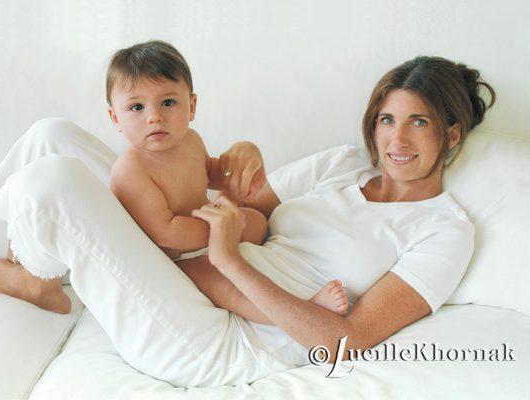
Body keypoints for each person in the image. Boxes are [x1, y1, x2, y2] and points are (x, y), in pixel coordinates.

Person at [0, 55, 495, 386]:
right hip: (194, 266)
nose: (396, 141)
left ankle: (42, 270)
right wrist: (240, 156)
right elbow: (243, 196)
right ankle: (41, 262)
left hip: (220, 338)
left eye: (418, 123)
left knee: (56, 181)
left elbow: (346, 340)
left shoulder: (444, 230)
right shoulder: (341, 165)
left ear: (450, 136)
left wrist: (228, 259)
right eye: (387, 120)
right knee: (51, 135)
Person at [106, 41, 349, 321]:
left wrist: (239, 164)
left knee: (258, 220)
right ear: (115, 117)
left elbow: (208, 172)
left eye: (168, 102)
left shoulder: (190, 140)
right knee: (221, 285)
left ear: (192, 106)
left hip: (208, 231)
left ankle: (272, 270)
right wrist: (221, 232)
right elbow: (165, 232)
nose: (154, 117)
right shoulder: (130, 169)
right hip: (175, 258)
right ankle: (301, 309)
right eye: (136, 107)